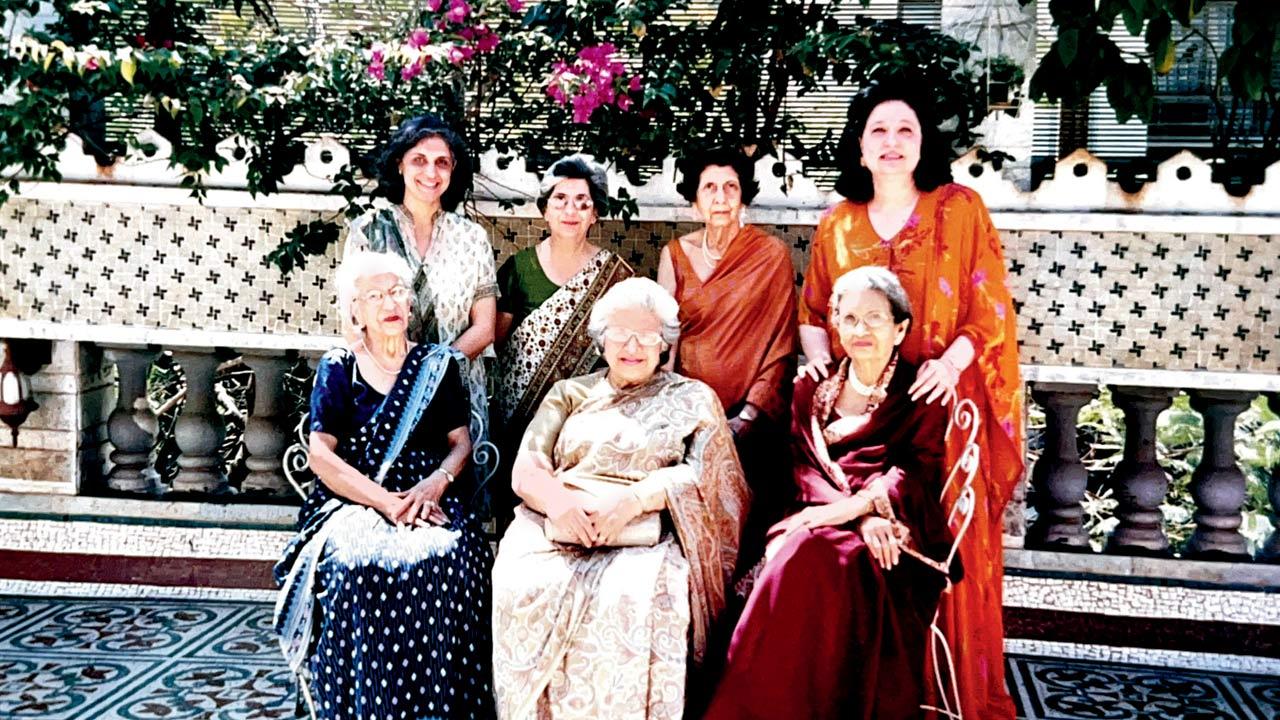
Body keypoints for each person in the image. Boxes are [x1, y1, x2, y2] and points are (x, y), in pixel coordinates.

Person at [796, 82, 1024, 719]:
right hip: (864, 416)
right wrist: (818, 362)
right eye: (878, 131)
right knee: (860, 541)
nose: (892, 142)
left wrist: (950, 367)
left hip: (945, 412)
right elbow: (814, 309)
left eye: (905, 130)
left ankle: (948, 697)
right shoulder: (837, 223)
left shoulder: (961, 208)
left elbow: (990, 308)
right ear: (860, 147)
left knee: (947, 547)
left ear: (924, 144)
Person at [490, 278, 750, 720]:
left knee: (635, 596)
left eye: (647, 336)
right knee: (524, 582)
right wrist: (560, 504)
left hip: (647, 533)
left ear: (665, 342)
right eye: (619, 333)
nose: (633, 346)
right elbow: (528, 466)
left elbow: (714, 479)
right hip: (560, 523)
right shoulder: (569, 393)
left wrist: (633, 501)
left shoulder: (692, 398)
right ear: (601, 339)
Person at [705, 267, 955, 719]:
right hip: (820, 516)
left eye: (875, 319)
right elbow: (802, 468)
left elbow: (917, 471)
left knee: (816, 553)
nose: (861, 330)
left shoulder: (921, 392)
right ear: (835, 326)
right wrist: (854, 517)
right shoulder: (810, 389)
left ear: (900, 329)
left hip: (895, 530)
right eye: (850, 318)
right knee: (806, 550)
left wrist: (866, 509)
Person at [274, 250, 494, 720]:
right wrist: (386, 503)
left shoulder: (438, 365)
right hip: (355, 499)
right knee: (357, 564)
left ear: (411, 305)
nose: (389, 302)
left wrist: (435, 484)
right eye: (374, 295)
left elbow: (461, 443)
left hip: (428, 495)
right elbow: (321, 455)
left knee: (451, 557)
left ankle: (444, 709)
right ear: (355, 310)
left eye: (397, 292)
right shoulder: (339, 367)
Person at [657, 146, 797, 568]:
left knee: (749, 542)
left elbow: (781, 345)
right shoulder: (674, 255)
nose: (720, 198)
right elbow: (667, 339)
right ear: (695, 200)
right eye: (710, 189)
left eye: (730, 187)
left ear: (744, 196)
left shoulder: (770, 256)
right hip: (690, 416)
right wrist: (669, 410)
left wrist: (748, 417)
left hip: (750, 424)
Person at [344, 114, 498, 488]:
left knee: (451, 510)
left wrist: (435, 371)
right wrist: (403, 378)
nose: (431, 172)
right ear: (399, 164)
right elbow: (352, 321)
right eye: (419, 160)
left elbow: (485, 327)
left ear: (453, 170)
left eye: (442, 162)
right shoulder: (368, 230)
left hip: (456, 401)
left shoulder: (471, 238)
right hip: (384, 392)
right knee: (385, 502)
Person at [493, 155, 632, 510]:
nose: (571, 210)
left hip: (585, 424)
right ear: (545, 209)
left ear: (595, 213)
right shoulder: (519, 269)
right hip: (520, 420)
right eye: (560, 199)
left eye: (582, 202)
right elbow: (498, 342)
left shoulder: (614, 277)